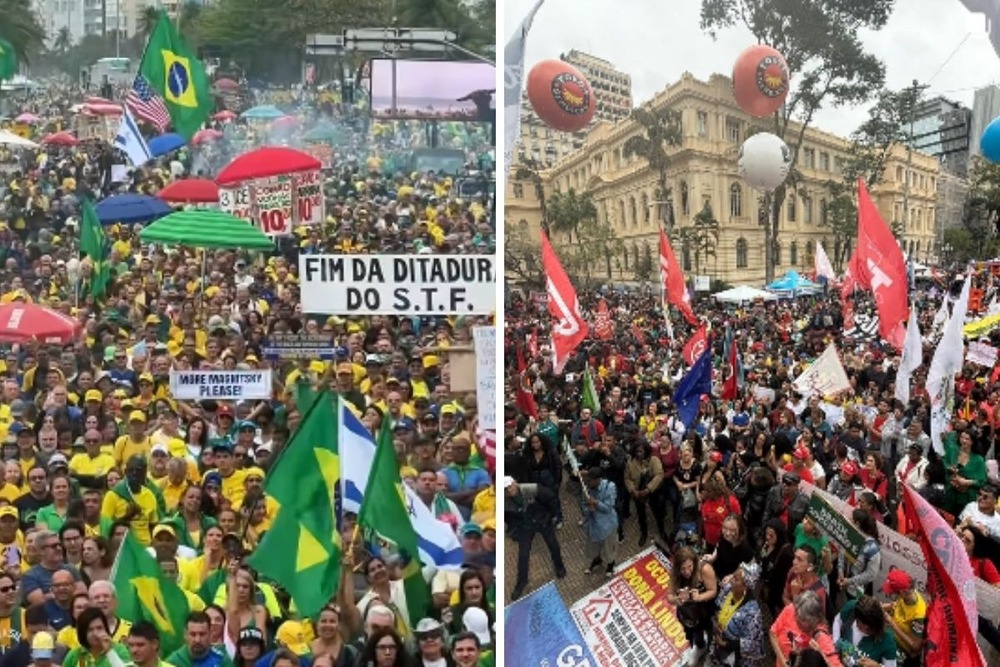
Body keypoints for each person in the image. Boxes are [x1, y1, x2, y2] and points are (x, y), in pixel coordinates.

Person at [503, 476, 564, 601]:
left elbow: (551, 497)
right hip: (525, 527)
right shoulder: (504, 502)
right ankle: (522, 581)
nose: (509, 490)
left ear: (515, 483)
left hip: (542, 521)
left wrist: (552, 516)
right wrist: (514, 532)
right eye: (505, 489)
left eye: (510, 486)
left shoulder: (531, 488)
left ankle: (559, 566)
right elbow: (508, 519)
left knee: (553, 544)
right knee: (523, 555)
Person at [668, 547, 717, 666]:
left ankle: (711, 653)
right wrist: (677, 600)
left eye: (690, 566)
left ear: (694, 562)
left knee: (712, 631)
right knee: (694, 631)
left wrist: (699, 597)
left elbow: (713, 590)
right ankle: (700, 647)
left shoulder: (704, 569)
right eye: (683, 568)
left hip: (706, 609)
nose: (687, 571)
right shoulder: (675, 574)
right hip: (689, 614)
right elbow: (669, 596)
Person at [710, 561, 765, 667]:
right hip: (719, 638)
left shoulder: (752, 613)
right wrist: (716, 622)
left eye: (736, 579)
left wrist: (725, 644)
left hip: (735, 653)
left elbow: (752, 644)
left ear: (746, 587)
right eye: (733, 576)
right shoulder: (727, 590)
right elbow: (717, 607)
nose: (731, 580)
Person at [769, 591, 842, 667]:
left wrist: (821, 654)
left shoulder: (822, 638)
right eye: (796, 615)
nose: (797, 620)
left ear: (813, 620)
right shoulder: (791, 609)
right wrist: (785, 661)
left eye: (802, 619)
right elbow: (772, 633)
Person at [831, 595, 898, 666]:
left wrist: (876, 666)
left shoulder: (887, 640)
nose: (865, 631)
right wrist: (836, 641)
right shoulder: (852, 607)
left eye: (869, 629)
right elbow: (838, 620)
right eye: (860, 626)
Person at [880, 570, 925, 667]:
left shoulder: (919, 614)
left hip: (905, 654)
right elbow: (897, 605)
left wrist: (892, 623)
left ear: (902, 592)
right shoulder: (906, 595)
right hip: (894, 641)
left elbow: (916, 647)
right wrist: (883, 606)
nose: (892, 594)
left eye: (893, 592)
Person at [580, 467, 618, 577]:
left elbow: (608, 508)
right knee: (594, 546)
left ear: (597, 480)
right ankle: (597, 560)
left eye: (590, 480)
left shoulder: (610, 487)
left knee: (608, 547)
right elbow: (583, 506)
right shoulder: (586, 489)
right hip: (593, 524)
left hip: (607, 524)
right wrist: (588, 509)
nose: (588, 482)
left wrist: (596, 503)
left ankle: (610, 565)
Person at [62, 607, 132, 667]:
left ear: (106, 628)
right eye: (90, 630)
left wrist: (110, 652)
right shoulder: (75, 654)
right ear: (83, 633)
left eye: (99, 628)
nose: (95, 634)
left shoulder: (120, 650)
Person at [166, 611, 234, 667]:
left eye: (202, 634)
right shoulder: (173, 662)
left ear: (210, 634)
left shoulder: (221, 659)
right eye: (193, 634)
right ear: (185, 635)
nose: (197, 640)